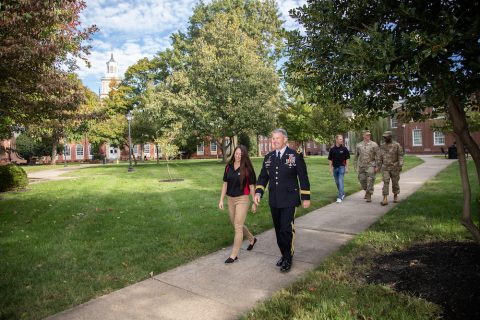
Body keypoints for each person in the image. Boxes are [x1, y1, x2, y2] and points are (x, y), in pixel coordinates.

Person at [254, 129, 310, 272]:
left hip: (290, 199)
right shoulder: (269, 157)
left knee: (286, 229)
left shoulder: (294, 155)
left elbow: (303, 177)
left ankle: (288, 257)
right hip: (275, 199)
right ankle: (283, 254)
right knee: (279, 230)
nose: (275, 141)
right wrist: (258, 192)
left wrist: (305, 197)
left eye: (277, 138)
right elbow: (263, 177)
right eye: (273, 139)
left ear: (285, 139)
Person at [219, 145, 257, 263]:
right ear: (234, 153)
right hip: (230, 198)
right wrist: (221, 200)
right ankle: (251, 239)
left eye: (240, 154)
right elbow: (225, 184)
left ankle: (234, 255)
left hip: (243, 199)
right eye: (236, 153)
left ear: (244, 155)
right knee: (235, 223)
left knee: (238, 226)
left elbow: (251, 186)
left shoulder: (247, 169)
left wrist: (254, 202)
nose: (238, 156)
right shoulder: (228, 167)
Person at [378, 131, 404, 206]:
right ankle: (385, 198)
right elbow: (379, 157)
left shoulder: (397, 145)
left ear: (390, 137)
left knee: (395, 182)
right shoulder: (382, 146)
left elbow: (400, 155)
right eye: (384, 137)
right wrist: (378, 166)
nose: (385, 138)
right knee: (386, 181)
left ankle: (395, 196)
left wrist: (400, 165)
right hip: (385, 167)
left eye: (386, 137)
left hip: (395, 167)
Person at [354, 130, 379, 202]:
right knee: (362, 180)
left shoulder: (374, 144)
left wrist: (377, 166)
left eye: (369, 135)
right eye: (367, 135)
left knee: (370, 180)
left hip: (371, 165)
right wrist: (355, 166)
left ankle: (369, 195)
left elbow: (378, 156)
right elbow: (356, 156)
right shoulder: (359, 145)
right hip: (362, 166)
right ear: (363, 136)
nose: (369, 136)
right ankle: (367, 191)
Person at [328, 134, 350, 203]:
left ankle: (339, 197)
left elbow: (347, 159)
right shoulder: (332, 149)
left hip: (342, 167)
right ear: (336, 140)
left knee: (340, 182)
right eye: (340, 139)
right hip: (335, 168)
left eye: (342, 139)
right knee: (337, 183)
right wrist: (330, 168)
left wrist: (347, 168)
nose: (342, 140)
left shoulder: (344, 149)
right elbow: (330, 159)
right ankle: (342, 193)